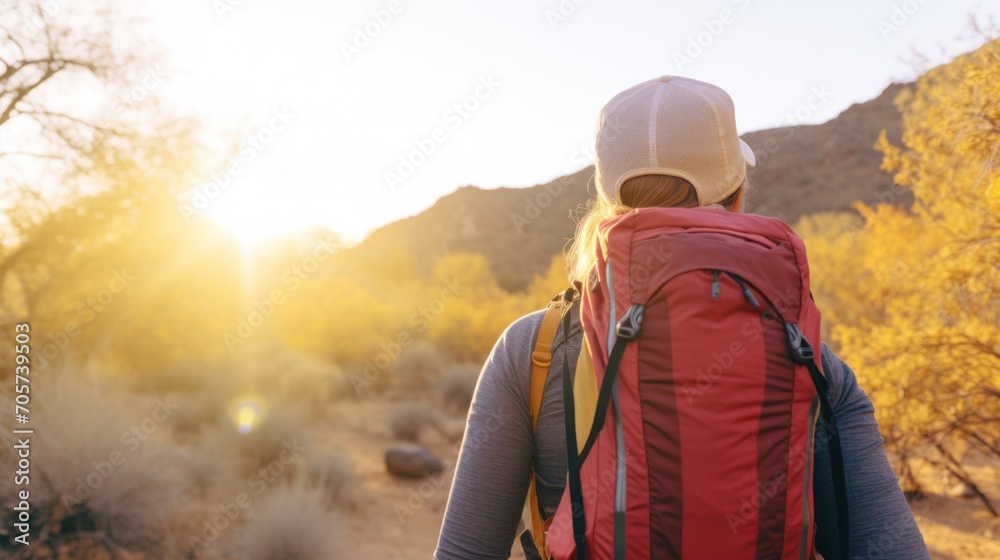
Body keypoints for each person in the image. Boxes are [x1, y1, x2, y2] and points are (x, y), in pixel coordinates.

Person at [434, 76, 930, 560]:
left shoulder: (533, 351)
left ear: (607, 204)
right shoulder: (811, 360)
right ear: (736, 196)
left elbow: (467, 550)